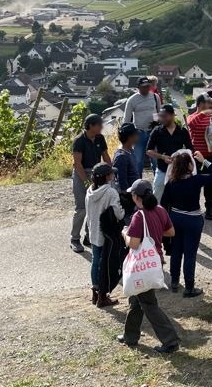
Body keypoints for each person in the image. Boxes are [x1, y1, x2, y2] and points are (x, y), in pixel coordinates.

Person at [118, 179, 180, 355]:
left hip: (142, 265)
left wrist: (124, 233)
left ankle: (170, 340)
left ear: (137, 197)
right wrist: (154, 232)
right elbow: (171, 232)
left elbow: (134, 244)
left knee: (148, 303)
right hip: (155, 261)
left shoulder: (139, 216)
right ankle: (130, 336)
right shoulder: (159, 210)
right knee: (136, 300)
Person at [161, 150, 212, 297]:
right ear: (189, 165)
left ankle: (174, 282)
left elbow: (164, 203)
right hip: (193, 220)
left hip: (175, 218)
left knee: (176, 251)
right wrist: (204, 161)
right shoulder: (197, 180)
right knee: (190, 254)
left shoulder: (171, 182)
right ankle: (189, 287)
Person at [71, 113, 111, 253]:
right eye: (99, 124)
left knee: (94, 207)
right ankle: (75, 239)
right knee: (82, 208)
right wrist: (87, 182)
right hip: (81, 174)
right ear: (91, 126)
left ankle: (89, 237)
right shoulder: (79, 141)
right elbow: (77, 164)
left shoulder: (100, 138)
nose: (102, 127)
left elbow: (106, 157)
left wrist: (110, 173)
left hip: (97, 173)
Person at [85, 162, 124, 308]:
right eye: (111, 173)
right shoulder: (110, 192)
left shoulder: (90, 191)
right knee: (106, 263)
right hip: (107, 233)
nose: (113, 175)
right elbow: (118, 214)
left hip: (93, 230)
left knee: (96, 261)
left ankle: (95, 293)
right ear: (107, 177)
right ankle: (103, 295)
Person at [146, 105, 194, 202]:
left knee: (179, 197)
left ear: (172, 116)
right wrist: (162, 157)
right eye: (161, 116)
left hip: (179, 171)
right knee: (157, 196)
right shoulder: (157, 131)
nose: (163, 118)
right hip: (162, 169)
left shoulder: (182, 131)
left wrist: (181, 157)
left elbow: (190, 149)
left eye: (165, 116)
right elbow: (148, 151)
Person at [187, 94, 212, 220]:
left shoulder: (211, 117)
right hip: (196, 156)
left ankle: (210, 208)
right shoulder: (193, 116)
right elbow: (191, 124)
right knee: (194, 183)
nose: (211, 106)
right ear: (201, 104)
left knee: (211, 182)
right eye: (208, 103)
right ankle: (193, 208)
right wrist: (204, 113)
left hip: (210, 156)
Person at [124, 77, 163, 177]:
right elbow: (126, 120)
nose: (146, 89)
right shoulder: (132, 100)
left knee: (155, 161)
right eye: (143, 87)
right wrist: (126, 136)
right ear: (138, 87)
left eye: (147, 87)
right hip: (138, 133)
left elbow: (159, 113)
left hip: (153, 132)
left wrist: (156, 122)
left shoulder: (155, 97)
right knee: (138, 161)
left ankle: (157, 184)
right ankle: (138, 183)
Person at [113, 123, 141, 193]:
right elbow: (122, 181)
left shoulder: (130, 150)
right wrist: (128, 196)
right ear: (130, 137)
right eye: (136, 134)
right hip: (129, 195)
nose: (138, 136)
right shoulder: (122, 157)